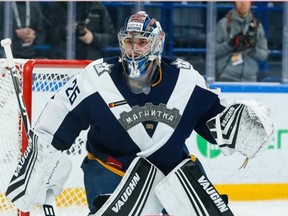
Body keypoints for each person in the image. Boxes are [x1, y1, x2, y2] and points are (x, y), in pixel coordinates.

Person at [5, 11, 273, 215]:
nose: (133, 49)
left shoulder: (185, 79)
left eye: (142, 42)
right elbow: (59, 117)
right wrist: (41, 159)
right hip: (110, 171)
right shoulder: (97, 78)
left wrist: (240, 127)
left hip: (173, 175)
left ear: (157, 43)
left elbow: (215, 121)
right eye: (129, 41)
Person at [215, 1, 269, 82]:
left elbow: (264, 55)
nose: (243, 3)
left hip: (250, 78)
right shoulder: (223, 24)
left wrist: (252, 50)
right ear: (234, 2)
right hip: (226, 77)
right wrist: (230, 44)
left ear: (251, 2)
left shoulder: (257, 26)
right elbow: (213, 52)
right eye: (239, 0)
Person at [42, 2, 117, 59]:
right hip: (62, 60)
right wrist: (64, 30)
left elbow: (111, 38)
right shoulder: (55, 7)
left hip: (90, 62)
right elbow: (45, 35)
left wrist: (92, 38)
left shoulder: (98, 8)